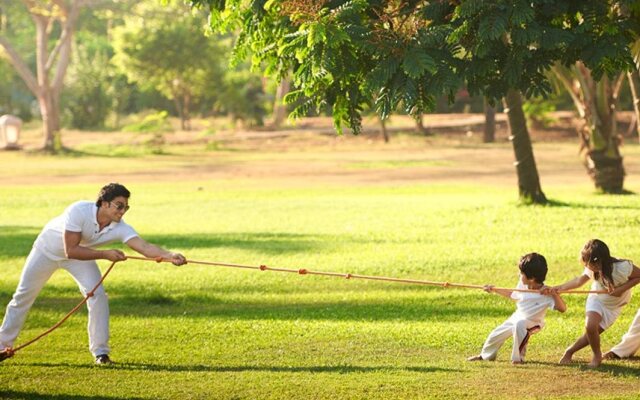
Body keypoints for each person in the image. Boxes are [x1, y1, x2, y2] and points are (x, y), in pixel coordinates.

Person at [0, 183, 187, 365]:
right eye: (119, 206)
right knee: (23, 296)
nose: (123, 211)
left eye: (126, 207)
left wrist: (170, 256)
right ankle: (2, 345)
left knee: (98, 296)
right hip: (46, 251)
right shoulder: (79, 210)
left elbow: (144, 247)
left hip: (81, 255)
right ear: (104, 203)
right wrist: (105, 254)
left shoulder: (120, 227)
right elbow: (70, 250)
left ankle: (101, 352)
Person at [550, 239, 640, 368]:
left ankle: (570, 351)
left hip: (613, 306)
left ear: (598, 262)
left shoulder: (623, 267)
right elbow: (578, 282)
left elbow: (638, 276)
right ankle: (597, 356)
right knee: (590, 326)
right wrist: (558, 288)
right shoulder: (592, 268)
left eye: (587, 263)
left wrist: (621, 289)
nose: (586, 266)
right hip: (597, 299)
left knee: (593, 332)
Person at [467, 253, 567, 364]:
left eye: (522, 273)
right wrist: (494, 289)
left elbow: (562, 308)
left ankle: (518, 359)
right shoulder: (523, 285)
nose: (519, 275)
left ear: (532, 278)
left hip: (534, 322)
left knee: (520, 325)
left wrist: (554, 294)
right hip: (517, 316)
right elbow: (512, 295)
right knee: (496, 334)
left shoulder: (546, 293)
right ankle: (485, 356)